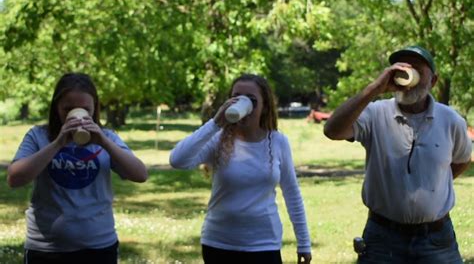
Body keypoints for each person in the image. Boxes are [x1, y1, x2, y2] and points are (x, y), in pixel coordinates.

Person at [324, 46, 472, 263]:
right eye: (401, 66)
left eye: (416, 68)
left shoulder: (451, 121)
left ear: (433, 80)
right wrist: (375, 88)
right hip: (383, 238)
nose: (406, 72)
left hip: (436, 239)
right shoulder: (375, 113)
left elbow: (461, 160)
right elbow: (332, 130)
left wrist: (434, 183)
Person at [169, 74, 312, 264]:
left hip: (264, 244)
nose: (245, 105)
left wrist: (303, 243)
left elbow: (292, 192)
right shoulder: (217, 138)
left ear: (265, 106)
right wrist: (215, 123)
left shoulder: (278, 142)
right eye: (236, 97)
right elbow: (178, 160)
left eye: (252, 100)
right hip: (219, 243)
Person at [7, 73, 148, 264]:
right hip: (46, 248)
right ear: (56, 107)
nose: (76, 113)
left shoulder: (107, 138)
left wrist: (104, 141)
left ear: (94, 108)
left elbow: (140, 174)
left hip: (98, 246)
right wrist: (58, 143)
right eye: (68, 109)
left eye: (84, 109)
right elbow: (15, 178)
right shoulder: (39, 136)